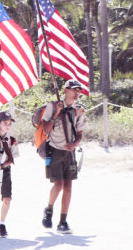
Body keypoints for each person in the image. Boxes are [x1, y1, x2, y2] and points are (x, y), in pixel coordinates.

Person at [40, 79, 87, 234]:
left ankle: (63, 221)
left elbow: (80, 134)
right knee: (58, 185)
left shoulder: (79, 110)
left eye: (79, 90)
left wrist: (75, 144)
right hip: (54, 150)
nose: (77, 93)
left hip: (69, 152)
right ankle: (49, 209)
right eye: (74, 89)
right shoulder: (52, 106)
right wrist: (56, 113)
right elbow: (45, 131)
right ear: (66, 90)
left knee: (68, 186)